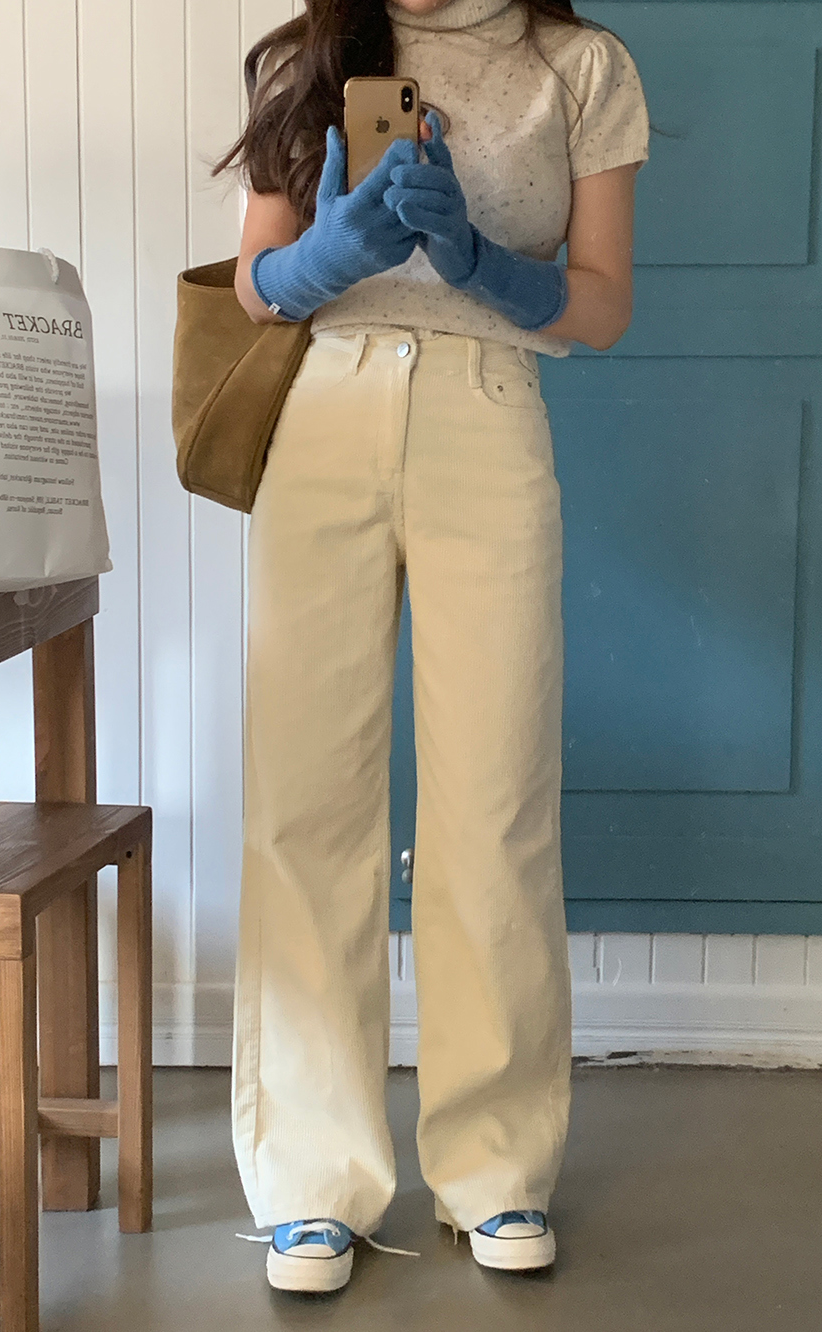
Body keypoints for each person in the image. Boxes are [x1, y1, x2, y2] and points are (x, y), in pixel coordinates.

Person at [213, 0, 650, 1295]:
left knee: (495, 800)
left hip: (488, 413)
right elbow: (253, 284)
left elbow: (604, 303)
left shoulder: (581, 68)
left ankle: (496, 1165)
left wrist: (481, 264)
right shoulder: (308, 53)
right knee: (305, 803)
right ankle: (310, 1181)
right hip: (323, 417)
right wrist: (328, 256)